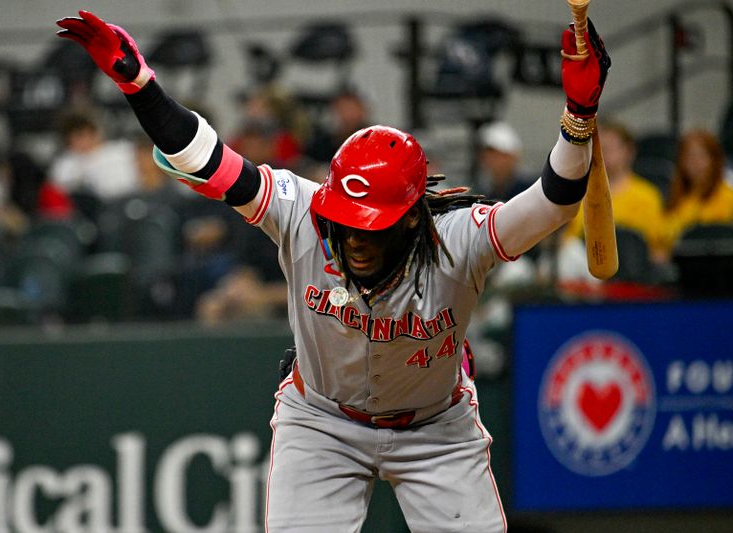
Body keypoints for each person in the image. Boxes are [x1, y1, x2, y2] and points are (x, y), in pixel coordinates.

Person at [56, 10, 610, 532]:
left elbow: (554, 201)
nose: (355, 239)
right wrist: (139, 86)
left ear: (414, 219)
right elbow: (206, 160)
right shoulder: (302, 210)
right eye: (347, 222)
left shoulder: (457, 239)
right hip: (321, 422)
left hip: (436, 429)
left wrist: (578, 120)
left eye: (374, 226)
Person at [563, 120, 666, 262]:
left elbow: (657, 249)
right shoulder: (580, 192)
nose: (602, 153)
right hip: (587, 268)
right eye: (598, 148)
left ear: (629, 151)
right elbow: (568, 244)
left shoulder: (647, 196)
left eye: (609, 148)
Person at [660, 129, 733, 256]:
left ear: (715, 160)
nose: (694, 163)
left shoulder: (728, 198)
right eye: (689, 156)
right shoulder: (675, 199)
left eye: (701, 156)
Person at [474, 121, 532, 202]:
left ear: (511, 157)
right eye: (486, 154)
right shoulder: (487, 196)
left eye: (495, 154)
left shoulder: (530, 191)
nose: (489, 159)